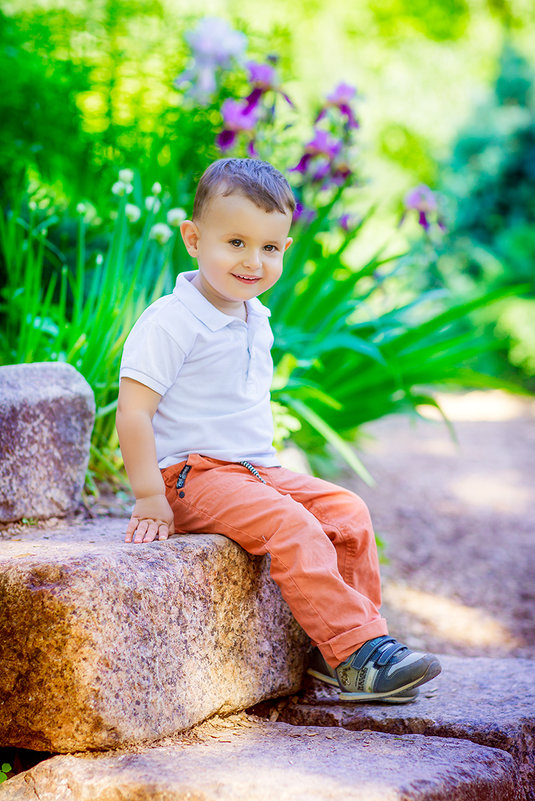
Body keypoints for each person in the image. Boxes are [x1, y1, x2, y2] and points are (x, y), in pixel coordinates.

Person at [116, 157, 441, 703]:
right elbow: (133, 412)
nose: (253, 261)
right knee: (294, 526)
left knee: (347, 513)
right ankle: (356, 652)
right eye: (236, 242)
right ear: (193, 239)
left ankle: (339, 652)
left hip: (254, 472)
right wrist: (150, 496)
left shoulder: (255, 316)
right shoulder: (171, 321)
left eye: (269, 248)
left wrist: (269, 474)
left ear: (285, 250)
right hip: (191, 477)